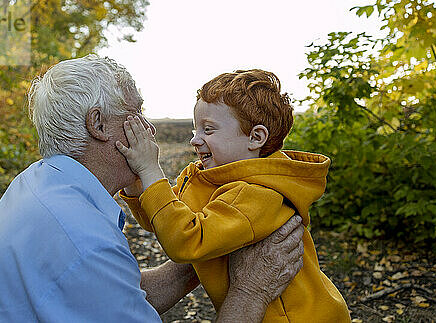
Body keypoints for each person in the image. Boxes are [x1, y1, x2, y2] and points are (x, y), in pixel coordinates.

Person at [0, 56, 305, 322]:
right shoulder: (83, 240)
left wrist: (210, 251)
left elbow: (106, 294)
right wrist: (250, 292)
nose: (151, 129)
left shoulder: (40, 184)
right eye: (137, 114)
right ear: (98, 124)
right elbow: (91, 271)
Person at [116, 69, 351, 322]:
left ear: (256, 137)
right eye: (196, 129)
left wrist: (152, 170)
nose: (195, 140)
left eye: (208, 129)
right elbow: (163, 219)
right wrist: (138, 182)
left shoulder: (257, 194)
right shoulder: (215, 180)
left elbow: (185, 240)